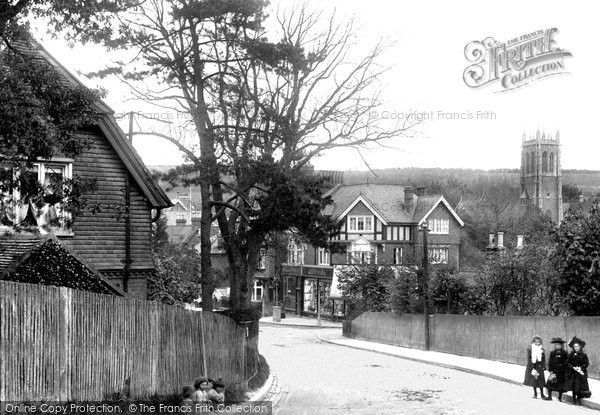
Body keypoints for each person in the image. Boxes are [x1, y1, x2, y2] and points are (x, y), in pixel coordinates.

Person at [564, 336, 590, 405]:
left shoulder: (584, 355)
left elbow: (586, 363)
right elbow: (567, 362)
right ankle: (574, 399)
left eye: (577, 346)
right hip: (573, 373)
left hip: (580, 373)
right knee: (573, 386)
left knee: (579, 386)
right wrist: (573, 367)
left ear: (580, 347)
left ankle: (578, 399)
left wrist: (580, 367)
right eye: (575, 346)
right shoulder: (571, 354)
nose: (576, 348)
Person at [523, 335, 547, 399]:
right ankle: (535, 393)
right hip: (533, 365)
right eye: (536, 342)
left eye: (538, 342)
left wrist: (544, 366)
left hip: (539, 365)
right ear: (533, 342)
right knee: (534, 380)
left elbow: (543, 358)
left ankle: (542, 394)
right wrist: (531, 367)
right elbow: (529, 358)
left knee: (541, 380)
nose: (537, 343)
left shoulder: (541, 349)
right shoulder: (530, 349)